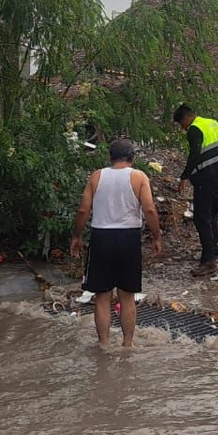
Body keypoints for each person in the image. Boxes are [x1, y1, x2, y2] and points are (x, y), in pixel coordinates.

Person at [70, 138, 162, 348]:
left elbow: (83, 210)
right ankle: (127, 345)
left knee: (102, 296)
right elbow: (149, 210)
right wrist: (156, 236)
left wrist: (76, 236)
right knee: (127, 296)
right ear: (133, 157)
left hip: (101, 237)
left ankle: (104, 344)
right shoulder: (139, 177)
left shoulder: (97, 176)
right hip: (128, 238)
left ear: (110, 157)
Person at [172, 103, 218, 277]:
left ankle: (208, 261)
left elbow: (195, 154)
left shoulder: (194, 129)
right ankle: (213, 249)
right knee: (211, 214)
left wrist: (185, 176)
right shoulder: (212, 123)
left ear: (186, 118)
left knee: (201, 217)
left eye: (181, 124)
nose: (182, 129)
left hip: (208, 177)